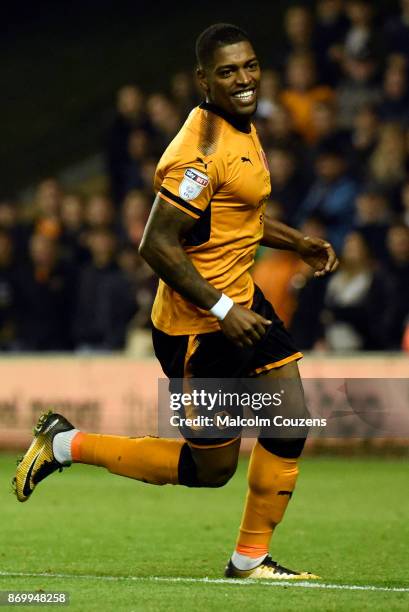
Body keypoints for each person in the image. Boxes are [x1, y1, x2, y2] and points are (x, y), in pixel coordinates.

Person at [13, 24, 338, 580]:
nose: (244, 79)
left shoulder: (242, 124)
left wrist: (295, 241)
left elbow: (235, 217)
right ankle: (65, 443)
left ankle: (249, 560)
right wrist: (221, 310)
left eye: (250, 65)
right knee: (211, 470)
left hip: (241, 301)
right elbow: (155, 243)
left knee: (289, 421)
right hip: (199, 325)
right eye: (228, 71)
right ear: (203, 80)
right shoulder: (198, 154)